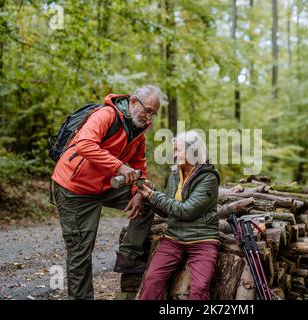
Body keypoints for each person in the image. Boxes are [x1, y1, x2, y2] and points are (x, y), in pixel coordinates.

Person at [51, 85, 163, 299]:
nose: (149, 117)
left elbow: (139, 164)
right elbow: (84, 145)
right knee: (80, 252)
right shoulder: (106, 115)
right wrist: (120, 167)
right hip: (75, 188)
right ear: (133, 102)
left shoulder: (139, 130)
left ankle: (128, 256)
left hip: (106, 184)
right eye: (147, 110)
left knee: (150, 195)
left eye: (153, 114)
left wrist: (138, 191)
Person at [137, 130, 220, 300]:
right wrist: (151, 191)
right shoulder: (175, 173)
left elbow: (187, 211)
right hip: (173, 238)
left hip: (202, 240)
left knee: (199, 288)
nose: (174, 154)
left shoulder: (208, 178)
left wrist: (154, 196)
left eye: (178, 150)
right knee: (152, 280)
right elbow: (167, 210)